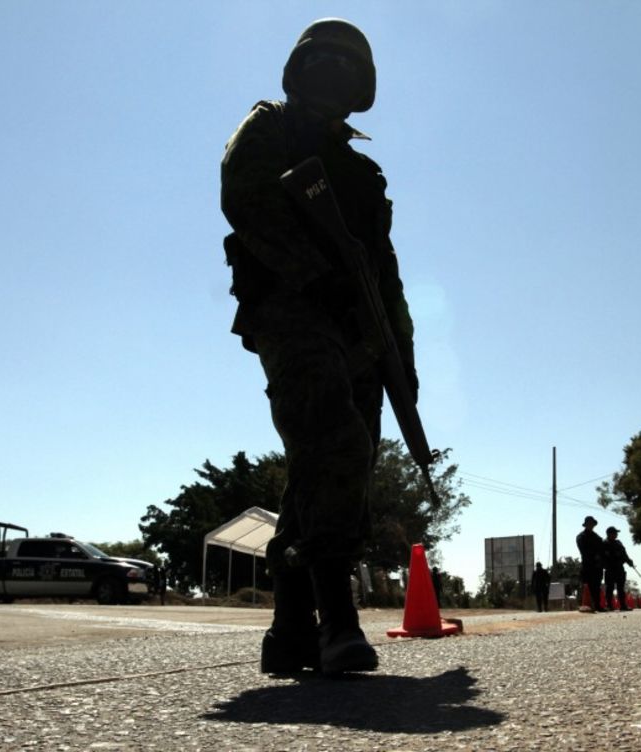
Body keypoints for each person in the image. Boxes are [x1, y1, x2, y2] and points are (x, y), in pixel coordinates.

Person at [221, 18, 417, 674]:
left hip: (357, 331)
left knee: (327, 465)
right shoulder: (269, 128)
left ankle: (287, 630)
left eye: (346, 69)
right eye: (321, 65)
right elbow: (245, 200)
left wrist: (403, 366)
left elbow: (385, 274)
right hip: (291, 314)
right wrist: (316, 275)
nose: (332, 79)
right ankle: (337, 620)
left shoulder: (363, 175)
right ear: (298, 72)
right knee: (337, 443)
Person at [576, 516, 606, 612]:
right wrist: (594, 555)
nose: (591, 525)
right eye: (589, 523)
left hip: (597, 566)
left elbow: (602, 551)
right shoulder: (581, 537)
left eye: (592, 523)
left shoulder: (597, 538)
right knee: (586, 585)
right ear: (586, 524)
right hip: (587, 565)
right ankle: (584, 605)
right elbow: (583, 551)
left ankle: (597, 605)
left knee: (596, 586)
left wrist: (600, 560)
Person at [603, 526, 635, 612]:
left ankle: (623, 605)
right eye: (615, 533)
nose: (616, 534)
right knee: (610, 588)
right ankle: (609, 605)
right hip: (610, 569)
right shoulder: (605, 543)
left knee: (621, 588)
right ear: (610, 534)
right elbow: (604, 557)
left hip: (619, 568)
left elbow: (624, 554)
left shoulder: (618, 543)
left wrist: (629, 561)